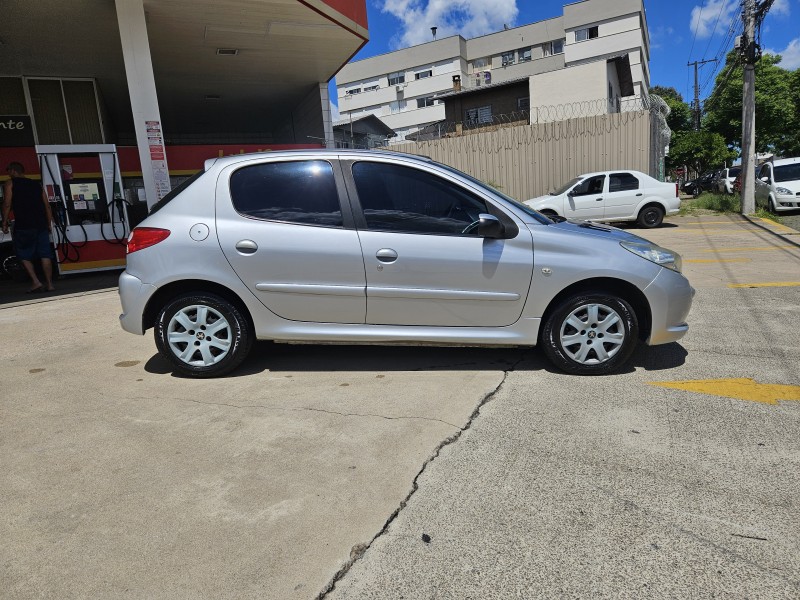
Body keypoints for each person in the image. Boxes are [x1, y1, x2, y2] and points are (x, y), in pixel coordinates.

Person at [2, 162, 55, 292]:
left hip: (24, 226)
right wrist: (48, 223)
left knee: (23, 255)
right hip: (41, 225)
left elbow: (7, 204)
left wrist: (4, 222)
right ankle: (50, 284)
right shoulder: (37, 185)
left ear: (14, 171)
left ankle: (36, 282)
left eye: (9, 171)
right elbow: (47, 206)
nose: (8, 174)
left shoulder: (10, 183)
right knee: (45, 255)